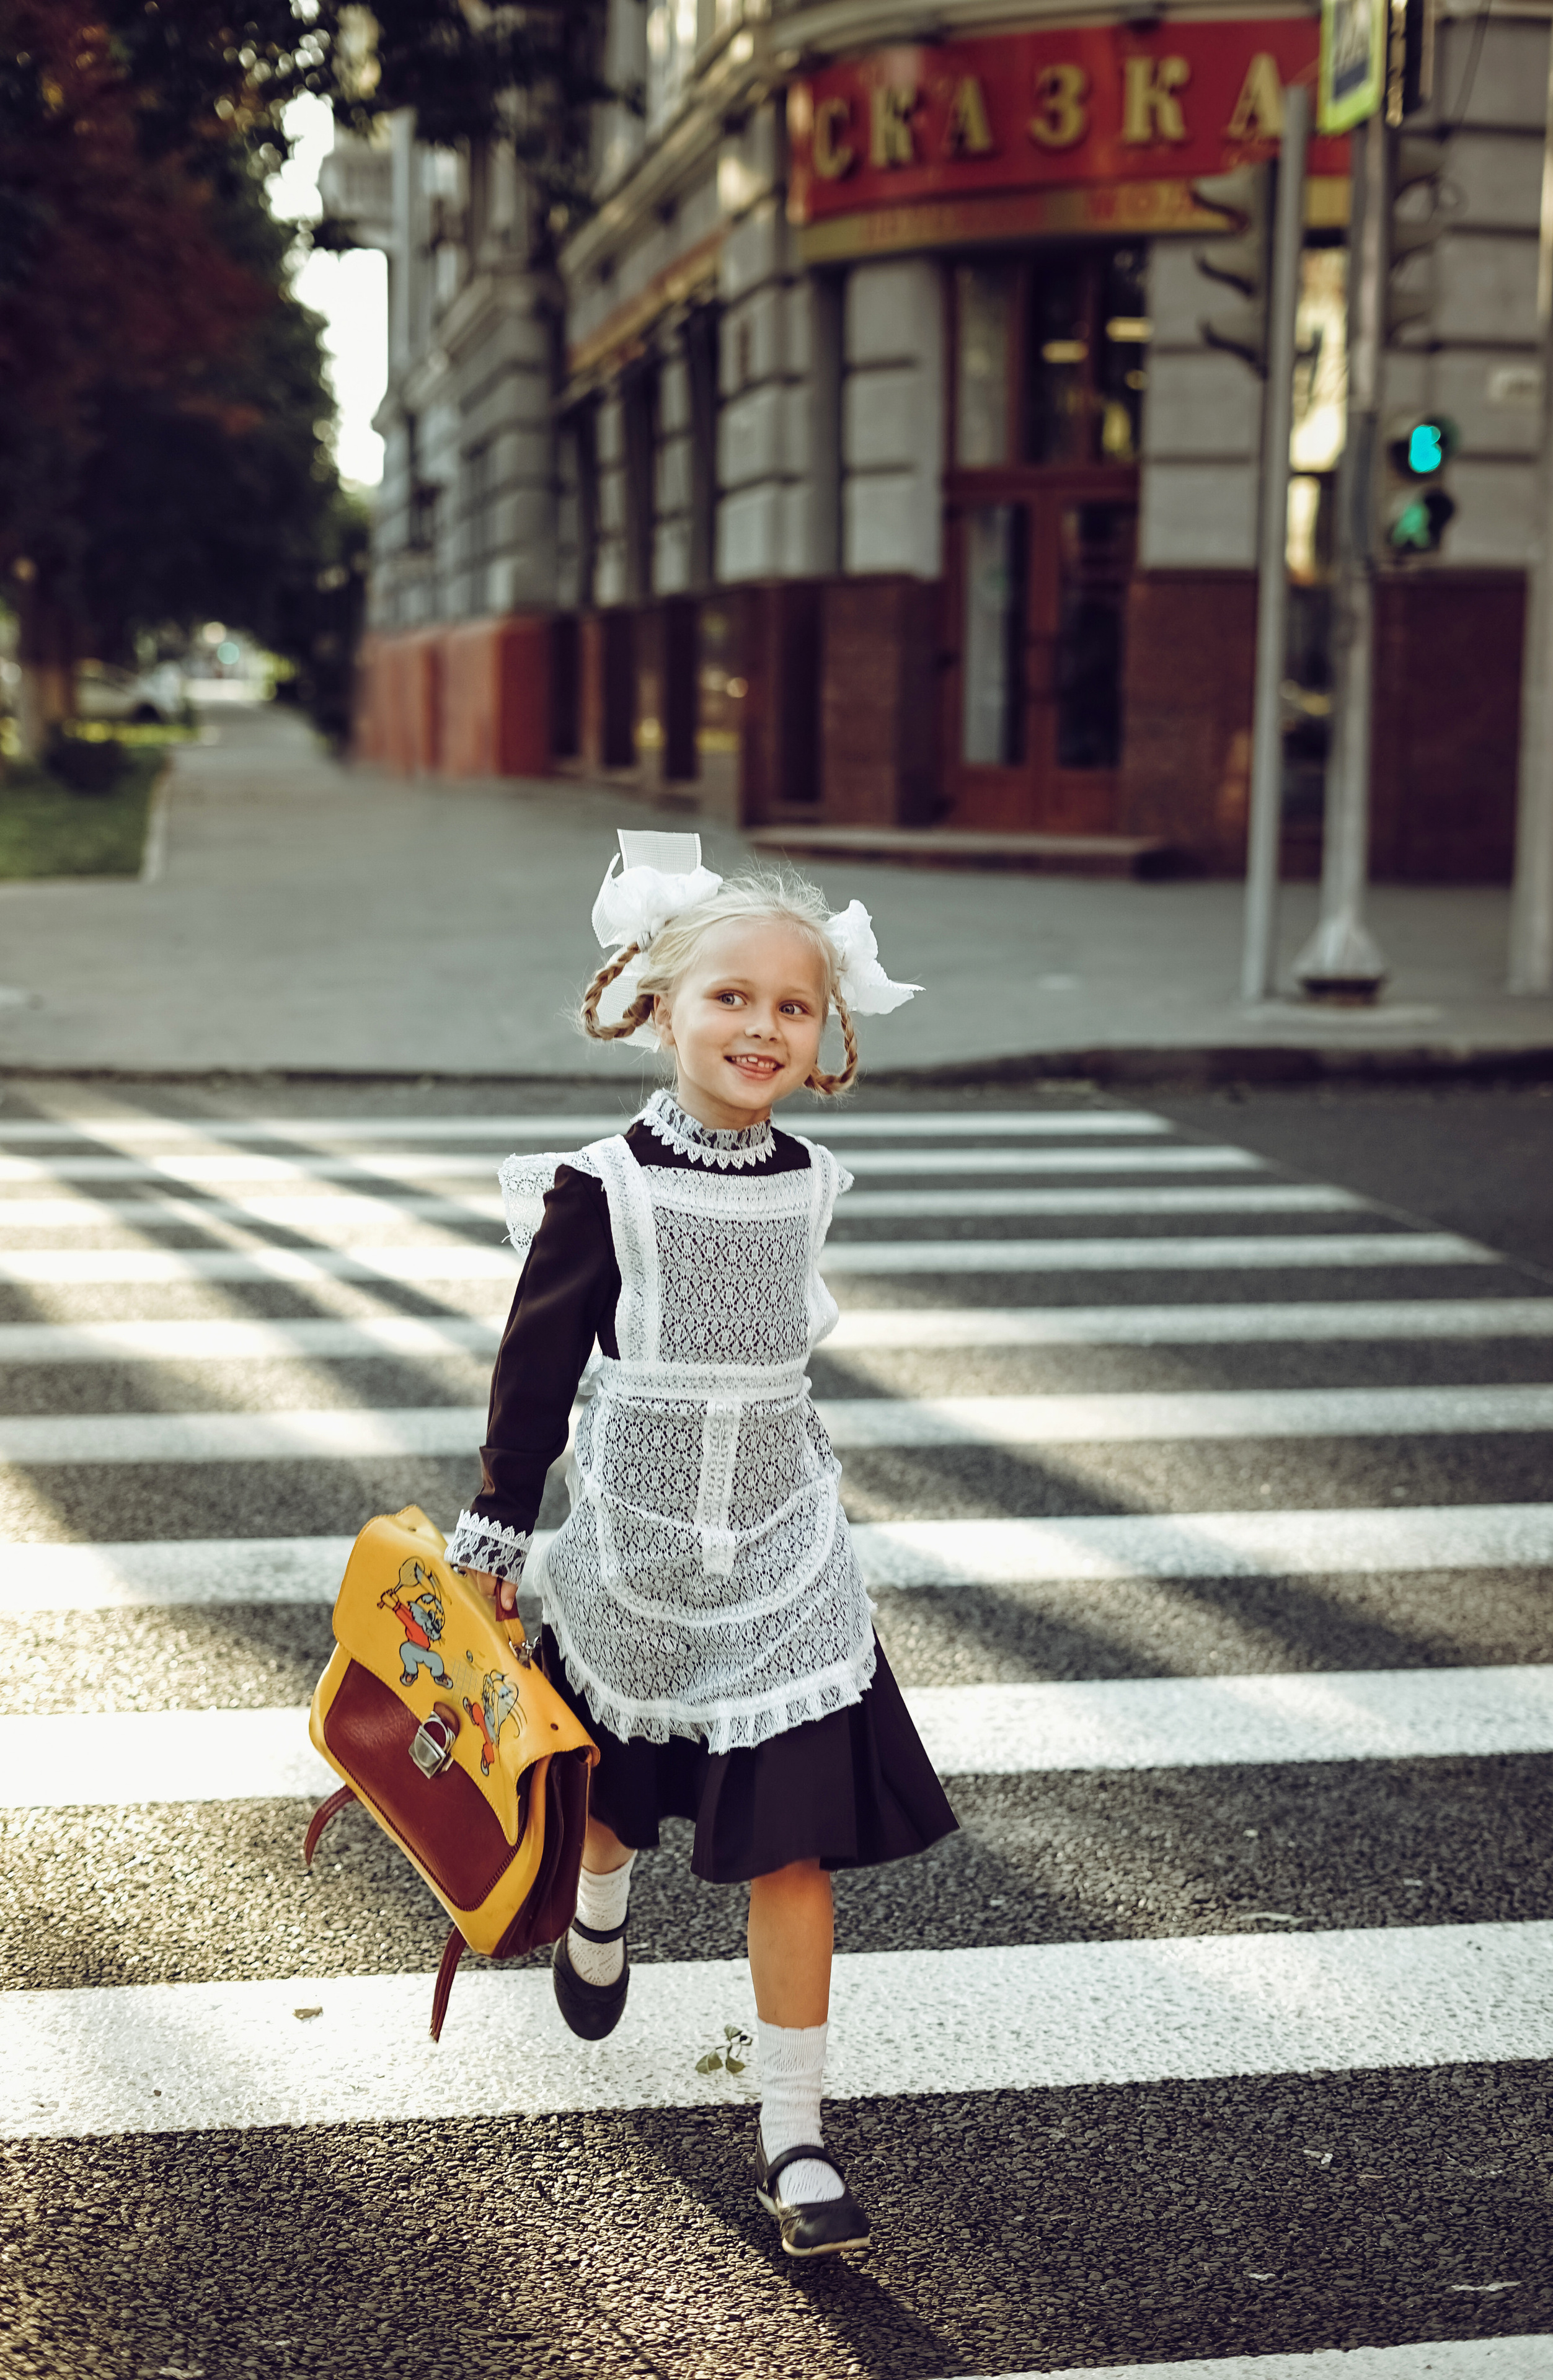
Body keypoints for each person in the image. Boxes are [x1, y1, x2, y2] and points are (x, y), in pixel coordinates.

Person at [445, 830, 957, 2260]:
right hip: (637, 1549)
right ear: (656, 1008)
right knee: (616, 1787)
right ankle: (597, 1899)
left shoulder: (811, 1181)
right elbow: (533, 1371)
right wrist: (494, 1525)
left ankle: (793, 2134)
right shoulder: (599, 1186)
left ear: (824, 1036)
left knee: (796, 1847)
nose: (758, 1026)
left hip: (788, 1560)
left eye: (790, 1007)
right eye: (728, 997)